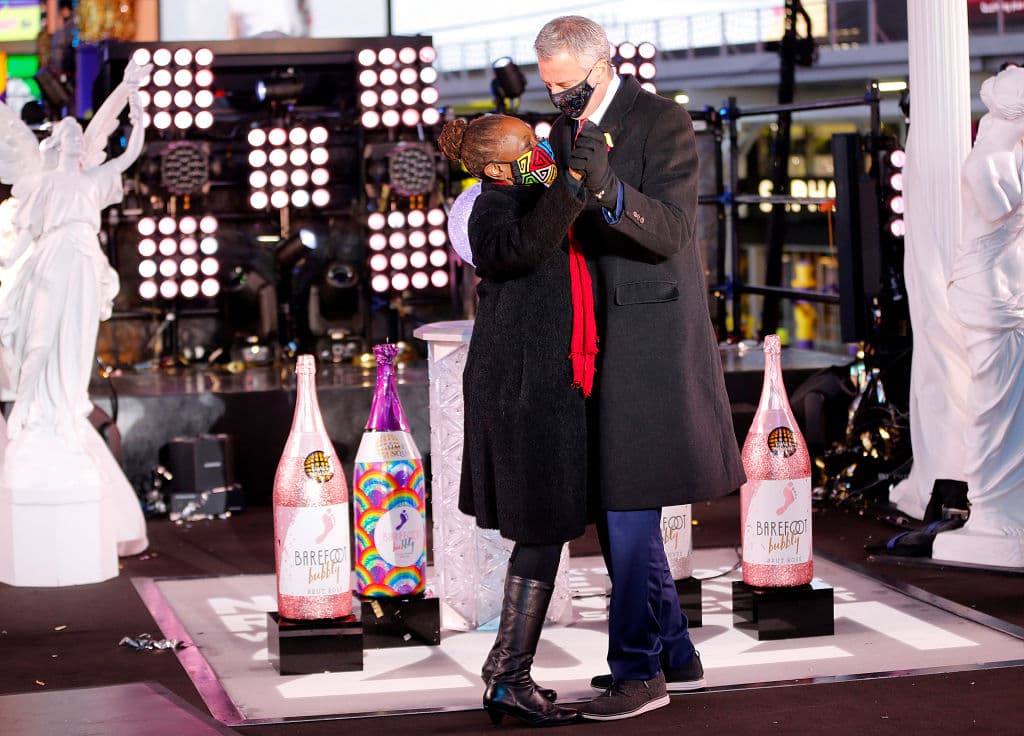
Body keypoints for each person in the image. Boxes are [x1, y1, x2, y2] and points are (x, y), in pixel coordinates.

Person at [534, 15, 746, 720]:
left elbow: (676, 230)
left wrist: (610, 192)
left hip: (651, 338)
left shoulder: (664, 123)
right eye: (549, 85)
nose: (557, 96)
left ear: (600, 68)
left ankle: (638, 672)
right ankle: (676, 653)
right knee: (615, 503)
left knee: (627, 507)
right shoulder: (560, 133)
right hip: (588, 338)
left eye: (566, 85)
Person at [437, 114, 588, 727]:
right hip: (522, 388)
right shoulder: (490, 207)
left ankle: (508, 674)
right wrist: (570, 184)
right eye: (527, 145)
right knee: (542, 526)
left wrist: (563, 179)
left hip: (536, 382)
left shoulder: (523, 190)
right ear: (497, 166)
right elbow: (514, 252)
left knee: (544, 527)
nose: (541, 148)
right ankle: (508, 676)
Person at [0, 58, 152, 557]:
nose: (71, 141)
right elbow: (20, 240)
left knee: (75, 346)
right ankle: (30, 410)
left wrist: (134, 104)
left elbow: (129, 152)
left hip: (83, 266)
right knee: (40, 339)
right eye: (64, 136)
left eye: (75, 137)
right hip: (50, 262)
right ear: (54, 145)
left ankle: (62, 410)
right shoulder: (42, 187)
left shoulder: (92, 182)